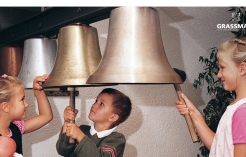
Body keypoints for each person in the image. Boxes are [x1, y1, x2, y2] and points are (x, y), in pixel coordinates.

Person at [175, 37, 246, 157]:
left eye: (222, 67)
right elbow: (218, 147)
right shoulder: (237, 108)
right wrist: (194, 114)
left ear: (242, 69)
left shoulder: (242, 112)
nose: (218, 74)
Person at [56, 88, 132, 157]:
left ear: (113, 117)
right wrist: (67, 121)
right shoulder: (83, 130)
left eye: (101, 104)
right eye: (96, 101)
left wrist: (80, 136)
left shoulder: (117, 139)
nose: (94, 105)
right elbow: (63, 151)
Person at [0, 74, 53, 155]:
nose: (26, 104)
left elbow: (46, 116)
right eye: (22, 99)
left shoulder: (16, 127)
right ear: (6, 107)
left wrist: (38, 91)